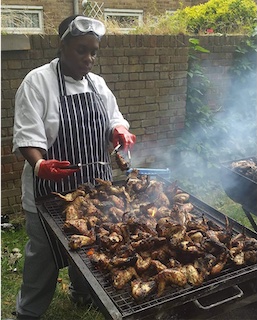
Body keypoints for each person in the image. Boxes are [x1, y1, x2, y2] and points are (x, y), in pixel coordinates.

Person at [12, 15, 136, 320]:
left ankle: (82, 294)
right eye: (82, 50)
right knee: (43, 256)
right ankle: (28, 312)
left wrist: (118, 130)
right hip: (51, 190)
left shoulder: (97, 84)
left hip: (96, 188)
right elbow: (27, 132)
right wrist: (39, 164)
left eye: (94, 51)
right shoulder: (37, 81)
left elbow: (113, 117)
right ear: (62, 45)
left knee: (92, 244)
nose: (89, 58)